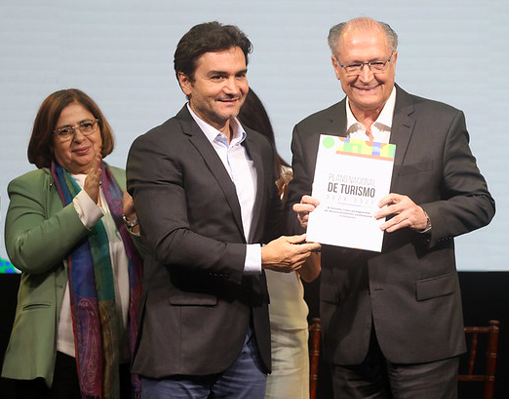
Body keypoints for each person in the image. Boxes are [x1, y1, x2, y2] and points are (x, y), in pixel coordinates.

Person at [287, 17, 496, 398]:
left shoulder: (441, 122)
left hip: (423, 329)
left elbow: (479, 203)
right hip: (347, 326)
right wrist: (301, 216)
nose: (366, 76)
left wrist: (425, 215)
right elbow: (295, 206)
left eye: (377, 63)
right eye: (353, 65)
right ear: (335, 66)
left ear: (394, 61)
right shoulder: (310, 130)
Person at [126, 21, 320, 399]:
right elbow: (171, 242)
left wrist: (308, 217)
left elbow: (269, 230)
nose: (233, 88)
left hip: (250, 343)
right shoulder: (156, 147)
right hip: (182, 347)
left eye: (240, 74)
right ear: (185, 81)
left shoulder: (259, 147)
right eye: (218, 76)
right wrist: (261, 257)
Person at [2, 88, 144, 399]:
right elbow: (25, 253)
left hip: (127, 352)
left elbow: (155, 257)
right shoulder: (32, 186)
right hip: (59, 357)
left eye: (86, 125)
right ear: (49, 142)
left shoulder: (127, 181)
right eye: (65, 131)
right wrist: (84, 206)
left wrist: (134, 222)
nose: (79, 137)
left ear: (100, 129)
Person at [238, 88, 320, 399]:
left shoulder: (291, 181)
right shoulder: (204, 179)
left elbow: (312, 272)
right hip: (220, 330)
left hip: (280, 331)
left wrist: (305, 229)